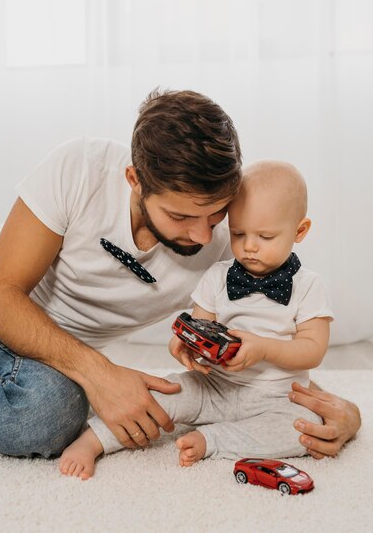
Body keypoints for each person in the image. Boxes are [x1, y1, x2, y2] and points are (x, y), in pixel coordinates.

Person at [0, 90, 360, 461]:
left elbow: (274, 354)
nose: (204, 235)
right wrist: (101, 374)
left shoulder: (235, 244)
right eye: (181, 216)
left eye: (216, 213)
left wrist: (347, 413)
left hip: (40, 353)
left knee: (51, 414)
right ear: (135, 181)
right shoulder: (81, 166)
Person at [58, 159, 357, 480]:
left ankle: (212, 440)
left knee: (299, 430)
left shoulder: (308, 285)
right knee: (163, 395)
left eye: (265, 237)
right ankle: (93, 441)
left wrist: (264, 349)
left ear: (300, 231)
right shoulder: (217, 275)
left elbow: (313, 350)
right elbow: (200, 325)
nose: (250, 246)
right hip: (213, 385)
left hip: (276, 396)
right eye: (239, 233)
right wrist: (186, 344)